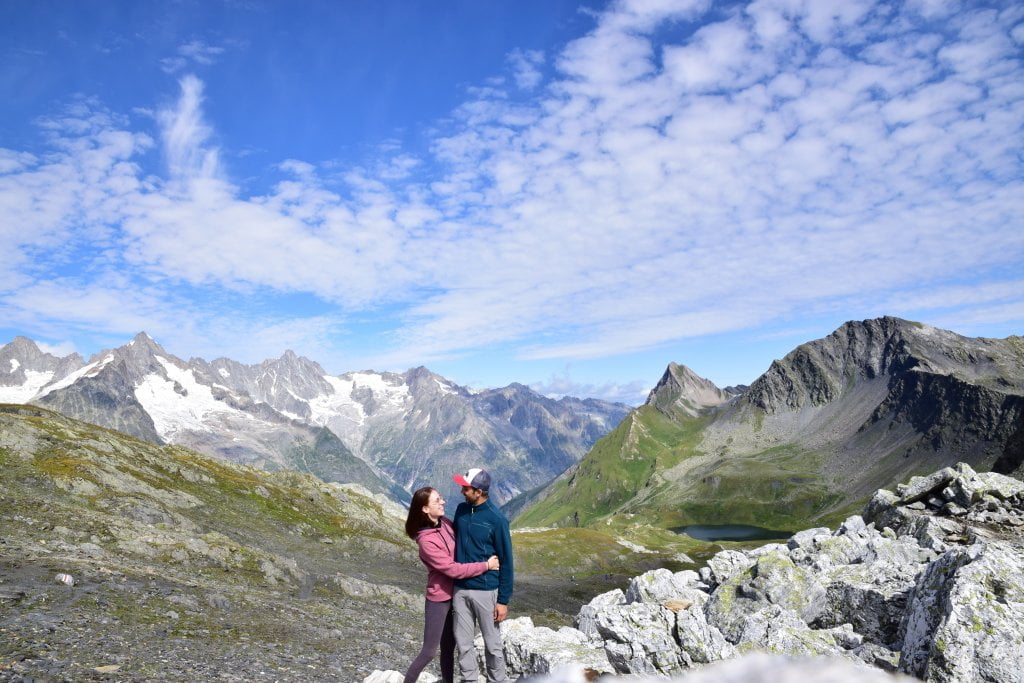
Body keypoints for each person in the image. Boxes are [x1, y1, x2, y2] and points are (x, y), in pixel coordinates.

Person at [404, 486, 499, 683]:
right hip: (439, 600)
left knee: (450, 647)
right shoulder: (426, 541)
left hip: (456, 595)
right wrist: (485, 565)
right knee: (429, 651)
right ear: (424, 509)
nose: (443, 502)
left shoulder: (444, 523)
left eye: (441, 498)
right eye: (437, 501)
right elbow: (453, 569)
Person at [451, 468, 514, 683]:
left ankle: (497, 680)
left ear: (478, 492)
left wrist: (503, 600)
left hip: (487, 592)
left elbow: (506, 561)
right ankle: (469, 680)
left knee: (492, 645)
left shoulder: (497, 520)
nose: (461, 491)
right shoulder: (460, 510)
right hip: (460, 589)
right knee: (463, 643)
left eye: (465, 488)